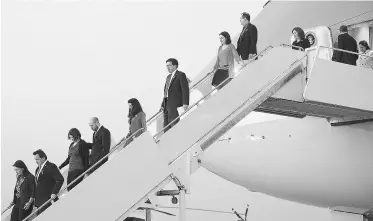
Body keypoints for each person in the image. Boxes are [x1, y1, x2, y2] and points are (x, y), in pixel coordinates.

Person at [160, 58, 190, 132]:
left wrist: (185, 103)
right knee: (166, 126)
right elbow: (166, 92)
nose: (167, 67)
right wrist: (162, 104)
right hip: (166, 103)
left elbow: (185, 89)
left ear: (175, 66)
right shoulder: (168, 77)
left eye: (169, 65)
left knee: (173, 122)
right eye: (166, 66)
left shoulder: (181, 75)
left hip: (174, 103)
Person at [33, 149, 64, 215]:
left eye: (37, 159)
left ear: (43, 158)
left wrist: (54, 192)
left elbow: (60, 179)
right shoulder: (37, 169)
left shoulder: (51, 166)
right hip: (39, 201)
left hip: (47, 199)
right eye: (35, 160)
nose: (36, 161)